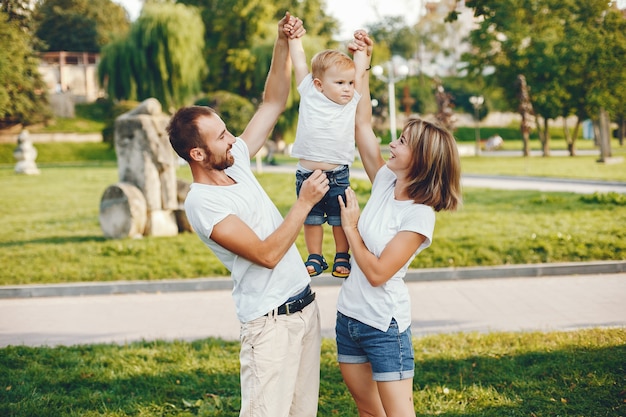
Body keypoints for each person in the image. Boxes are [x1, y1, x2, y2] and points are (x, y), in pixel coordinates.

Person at [167, 13, 328, 417]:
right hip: (269, 328)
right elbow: (266, 253)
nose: (232, 138)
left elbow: (272, 101)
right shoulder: (203, 203)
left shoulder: (233, 162)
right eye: (221, 136)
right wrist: (304, 203)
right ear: (197, 155)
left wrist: (281, 43)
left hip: (305, 312)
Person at [336, 31, 463, 416]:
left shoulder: (419, 216)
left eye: (403, 142)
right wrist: (364, 63)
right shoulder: (386, 180)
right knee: (367, 410)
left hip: (383, 326)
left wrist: (352, 227)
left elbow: (377, 273)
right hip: (349, 318)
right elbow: (362, 127)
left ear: (421, 159)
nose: (392, 143)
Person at [284, 23, 371, 278]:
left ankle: (342, 256)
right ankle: (315, 256)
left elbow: (360, 74)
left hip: (337, 175)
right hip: (307, 175)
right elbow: (300, 63)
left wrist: (361, 50)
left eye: (350, 83)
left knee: (338, 219)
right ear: (320, 84)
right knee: (311, 219)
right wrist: (294, 39)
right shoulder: (310, 92)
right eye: (341, 82)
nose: (347, 88)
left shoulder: (350, 100)